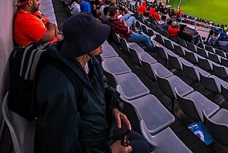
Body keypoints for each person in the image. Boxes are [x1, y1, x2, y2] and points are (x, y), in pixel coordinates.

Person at [35, 13, 152, 153]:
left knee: (141, 142)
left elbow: (103, 89)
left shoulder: (89, 62)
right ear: (85, 45)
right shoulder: (62, 88)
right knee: (143, 148)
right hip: (92, 145)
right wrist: (112, 151)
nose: (103, 39)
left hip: (100, 130)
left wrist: (113, 109)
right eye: (97, 37)